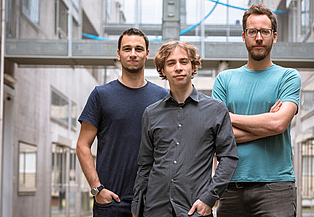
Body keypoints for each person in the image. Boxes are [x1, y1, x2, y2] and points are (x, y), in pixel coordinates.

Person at [212, 3, 301, 217]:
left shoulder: (288, 77)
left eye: (265, 32)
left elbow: (279, 123)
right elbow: (218, 136)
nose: (258, 37)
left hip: (276, 186)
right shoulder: (224, 79)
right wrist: (267, 126)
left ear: (274, 36)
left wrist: (230, 117)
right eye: (252, 32)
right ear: (244, 36)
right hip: (231, 185)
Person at [131, 41, 239, 217]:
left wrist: (209, 198)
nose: (178, 68)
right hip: (155, 209)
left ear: (193, 67)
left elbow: (228, 158)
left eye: (184, 61)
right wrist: (136, 207)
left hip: (195, 209)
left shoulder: (216, 109)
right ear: (163, 70)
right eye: (171, 63)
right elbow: (145, 165)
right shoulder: (151, 113)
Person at [76, 28, 168, 217]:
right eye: (127, 49)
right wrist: (97, 189)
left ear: (147, 54)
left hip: (151, 202)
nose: (133, 54)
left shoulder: (162, 97)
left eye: (138, 49)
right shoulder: (101, 95)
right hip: (111, 201)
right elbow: (83, 145)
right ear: (118, 54)